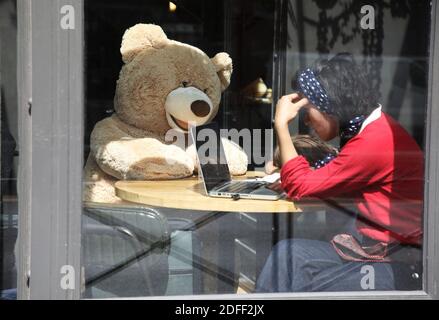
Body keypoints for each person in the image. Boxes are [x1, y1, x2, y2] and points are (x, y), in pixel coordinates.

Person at [256, 53, 424, 292]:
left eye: (307, 110)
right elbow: (320, 178)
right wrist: (297, 177)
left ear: (330, 106)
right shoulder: (371, 130)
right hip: (373, 252)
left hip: (397, 264)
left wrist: (281, 125)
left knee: (303, 285)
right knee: (287, 255)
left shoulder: (373, 141)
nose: (305, 121)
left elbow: (300, 187)